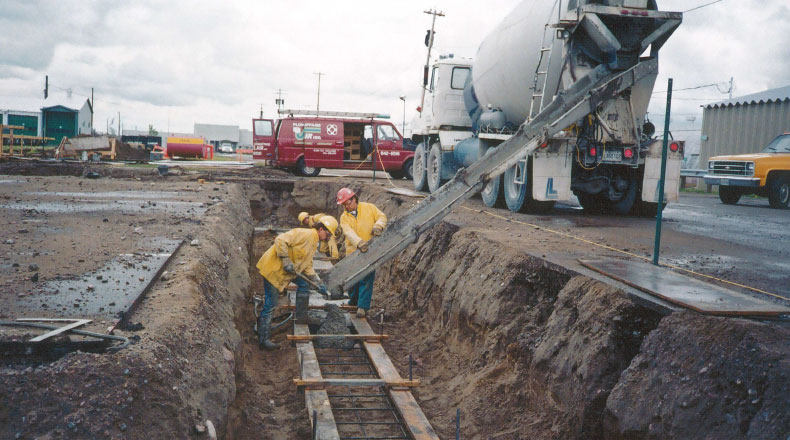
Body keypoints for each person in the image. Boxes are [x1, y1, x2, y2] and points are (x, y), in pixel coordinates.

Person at [255, 215, 337, 350]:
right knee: (271, 304)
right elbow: (280, 239)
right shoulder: (304, 234)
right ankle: (264, 339)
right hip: (274, 270)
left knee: (304, 284)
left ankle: (300, 316)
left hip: (288, 272)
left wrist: (318, 283)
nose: (328, 238)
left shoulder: (313, 242)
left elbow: (308, 265)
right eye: (328, 234)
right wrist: (285, 259)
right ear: (321, 229)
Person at [337, 187, 387, 318]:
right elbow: (349, 232)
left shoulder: (369, 208)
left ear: (354, 199)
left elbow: (381, 216)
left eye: (348, 204)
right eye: (344, 205)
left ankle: (362, 307)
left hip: (370, 251)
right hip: (353, 252)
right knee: (352, 281)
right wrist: (359, 243)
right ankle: (353, 303)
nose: (346, 207)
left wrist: (378, 226)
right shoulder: (344, 217)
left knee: (366, 278)